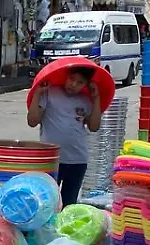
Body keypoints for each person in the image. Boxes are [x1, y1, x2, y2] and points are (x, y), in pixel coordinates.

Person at [27, 66, 103, 206]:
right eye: (72, 79)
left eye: (80, 82)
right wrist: (37, 93)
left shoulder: (86, 100)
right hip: (52, 160)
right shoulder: (49, 93)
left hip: (77, 160)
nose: (73, 84)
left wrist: (96, 98)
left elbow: (94, 127)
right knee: (47, 204)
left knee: (69, 204)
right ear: (65, 76)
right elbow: (32, 121)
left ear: (86, 85)